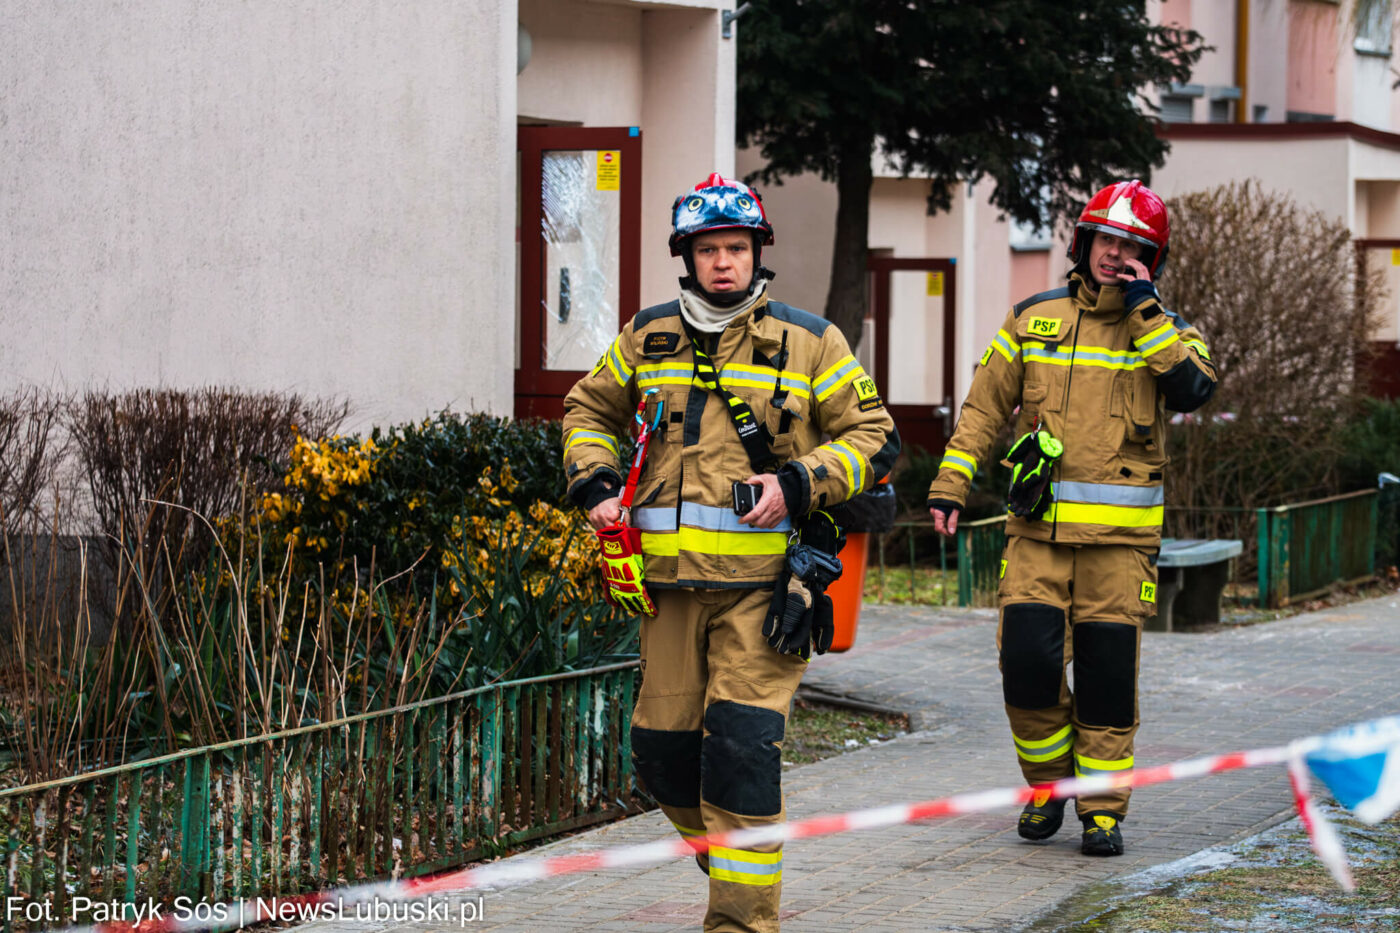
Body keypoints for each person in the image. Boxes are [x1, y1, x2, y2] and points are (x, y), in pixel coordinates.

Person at [562, 173, 899, 932]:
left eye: (736, 248)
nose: (723, 262)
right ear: (687, 256)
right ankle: (742, 868)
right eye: (708, 249)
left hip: (766, 589)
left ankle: (743, 920)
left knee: (743, 758)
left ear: (757, 253)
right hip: (669, 591)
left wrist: (799, 482)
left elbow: (877, 440)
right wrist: (597, 485)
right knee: (661, 757)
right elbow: (587, 407)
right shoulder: (648, 336)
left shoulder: (812, 340)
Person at [926, 180, 1216, 857]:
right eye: (1106, 240)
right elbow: (982, 412)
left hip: (1121, 549)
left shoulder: (1170, 333)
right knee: (1025, 667)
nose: (1115, 255)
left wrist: (1146, 314)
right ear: (1084, 243)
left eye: (1132, 246)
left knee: (1109, 680)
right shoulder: (1034, 318)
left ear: (1153, 258)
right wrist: (950, 483)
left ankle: (1103, 807)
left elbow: (1193, 389)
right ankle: (1048, 786)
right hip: (1037, 536)